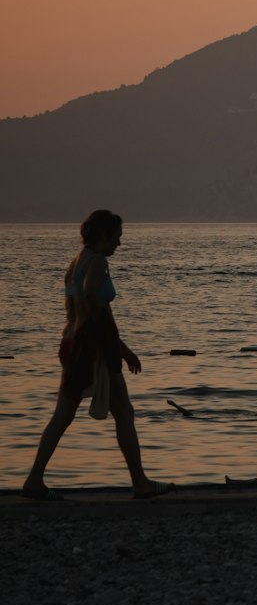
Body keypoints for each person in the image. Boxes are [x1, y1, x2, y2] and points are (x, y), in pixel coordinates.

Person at [22, 210, 172, 501]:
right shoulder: (98, 262)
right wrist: (120, 348)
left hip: (71, 342)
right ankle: (140, 483)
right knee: (124, 412)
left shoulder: (75, 263)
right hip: (95, 348)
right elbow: (91, 298)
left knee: (63, 415)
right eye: (116, 238)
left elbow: (73, 308)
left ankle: (34, 479)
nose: (119, 244)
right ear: (103, 236)